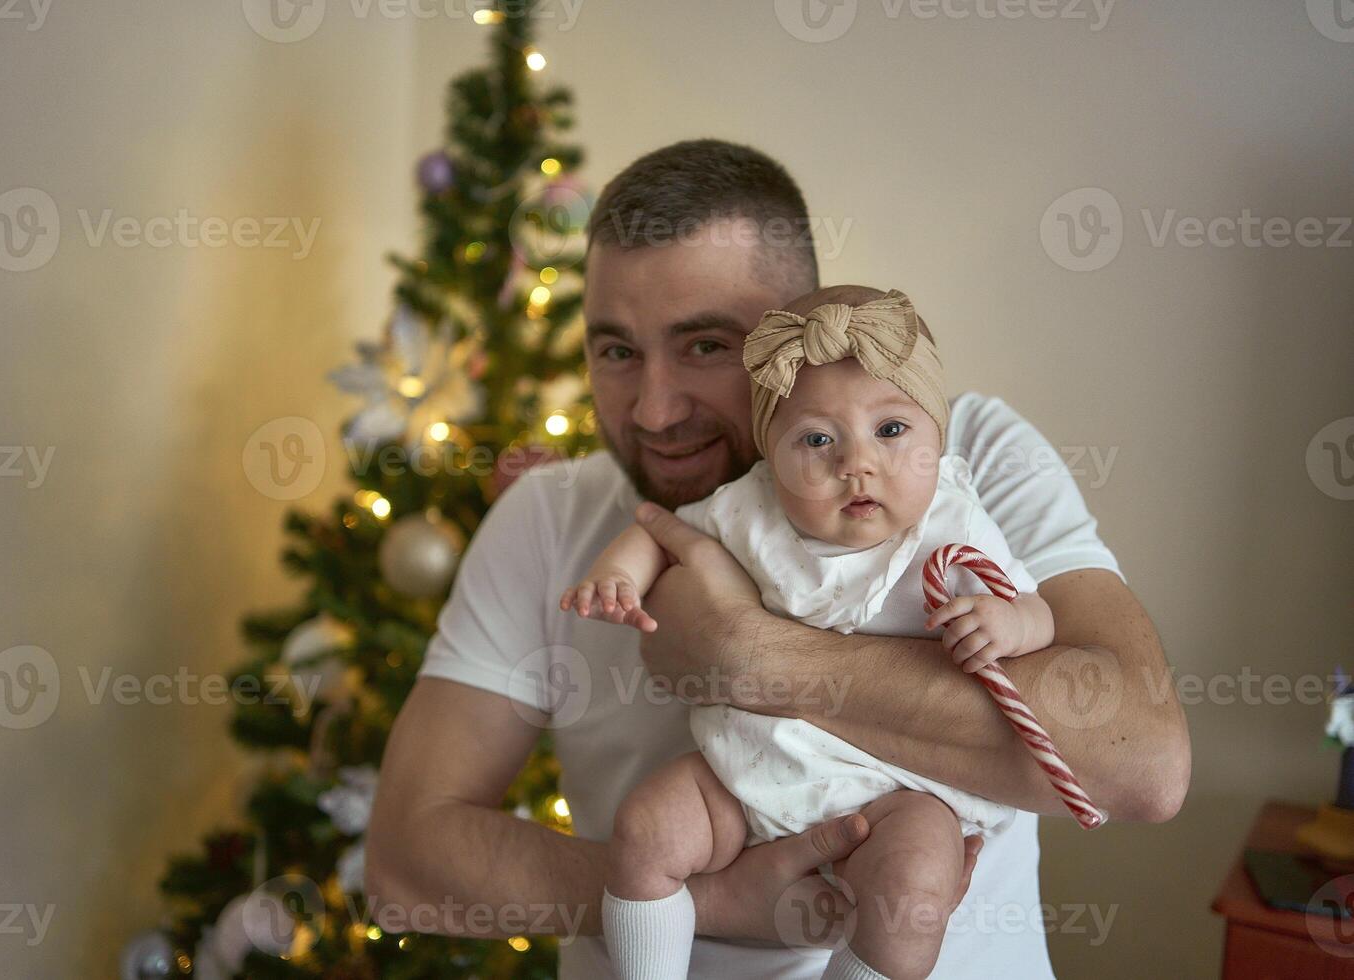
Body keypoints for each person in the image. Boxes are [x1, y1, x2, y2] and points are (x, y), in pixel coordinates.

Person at [366, 139, 1190, 979]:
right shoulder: (550, 517)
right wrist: (708, 900)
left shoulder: (960, 461)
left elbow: (1143, 766)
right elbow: (404, 862)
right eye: (616, 351)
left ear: (800, 332)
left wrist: (749, 656)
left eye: (706, 345)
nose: (653, 410)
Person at [563, 284, 1058, 980]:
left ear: (937, 435)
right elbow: (659, 534)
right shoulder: (751, 510)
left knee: (914, 896)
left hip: (903, 788)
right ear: (770, 452)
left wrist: (1007, 623)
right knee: (647, 830)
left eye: (891, 430)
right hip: (752, 765)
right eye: (817, 440)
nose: (856, 463)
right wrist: (618, 571)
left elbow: (1039, 614)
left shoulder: (957, 524)